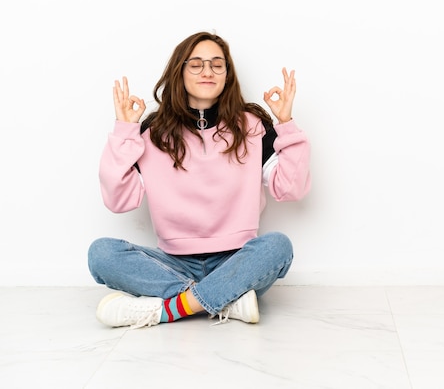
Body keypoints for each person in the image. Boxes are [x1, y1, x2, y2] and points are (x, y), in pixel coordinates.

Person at [88, 31, 311, 329]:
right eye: (196, 64)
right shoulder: (152, 131)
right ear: (179, 72)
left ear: (227, 75)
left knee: (277, 247)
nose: (208, 71)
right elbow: (118, 200)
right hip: (173, 262)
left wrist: (286, 125)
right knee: (101, 254)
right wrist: (124, 132)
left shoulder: (254, 125)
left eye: (217, 64)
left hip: (237, 260)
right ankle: (227, 300)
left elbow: (291, 189)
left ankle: (168, 309)